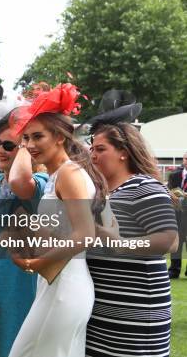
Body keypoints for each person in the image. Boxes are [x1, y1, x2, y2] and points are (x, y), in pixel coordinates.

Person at [7, 83, 106, 357]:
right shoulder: (56, 176)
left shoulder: (69, 174)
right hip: (54, 285)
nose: (29, 145)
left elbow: (85, 233)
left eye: (37, 137)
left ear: (60, 137)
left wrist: (36, 262)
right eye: (25, 138)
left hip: (66, 287)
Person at [87, 119, 178, 357]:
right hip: (102, 313)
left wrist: (120, 244)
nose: (92, 155)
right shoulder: (100, 193)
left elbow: (169, 239)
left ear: (123, 153)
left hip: (136, 316)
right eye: (91, 148)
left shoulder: (144, 186)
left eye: (100, 149)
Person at [0, 102, 48, 357]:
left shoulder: (40, 183)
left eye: (8, 145)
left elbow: (20, 181)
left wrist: (26, 143)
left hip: (20, 280)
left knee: (15, 344)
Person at [167, 151, 187, 278]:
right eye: (186, 158)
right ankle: (174, 269)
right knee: (177, 240)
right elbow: (168, 191)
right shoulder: (174, 175)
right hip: (177, 212)